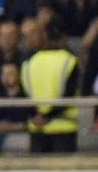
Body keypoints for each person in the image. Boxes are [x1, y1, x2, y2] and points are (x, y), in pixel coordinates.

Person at [20, 17, 80, 153]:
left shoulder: (29, 63)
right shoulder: (69, 61)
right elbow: (69, 95)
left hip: (36, 127)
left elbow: (24, 95)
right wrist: (48, 116)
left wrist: (37, 115)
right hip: (64, 127)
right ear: (64, 38)